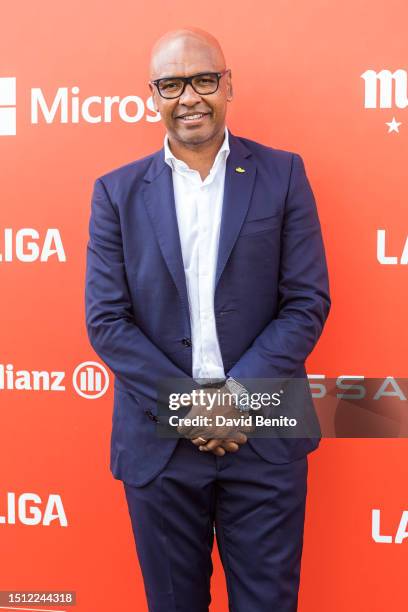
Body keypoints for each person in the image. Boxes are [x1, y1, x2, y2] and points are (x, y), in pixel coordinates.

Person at [85, 26, 331, 612]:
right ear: (153, 95)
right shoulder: (115, 193)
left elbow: (306, 301)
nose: (188, 96)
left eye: (203, 80)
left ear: (227, 85)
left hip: (266, 431)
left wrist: (236, 398)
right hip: (159, 442)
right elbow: (107, 321)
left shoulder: (284, 174)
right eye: (171, 84)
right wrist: (190, 406)